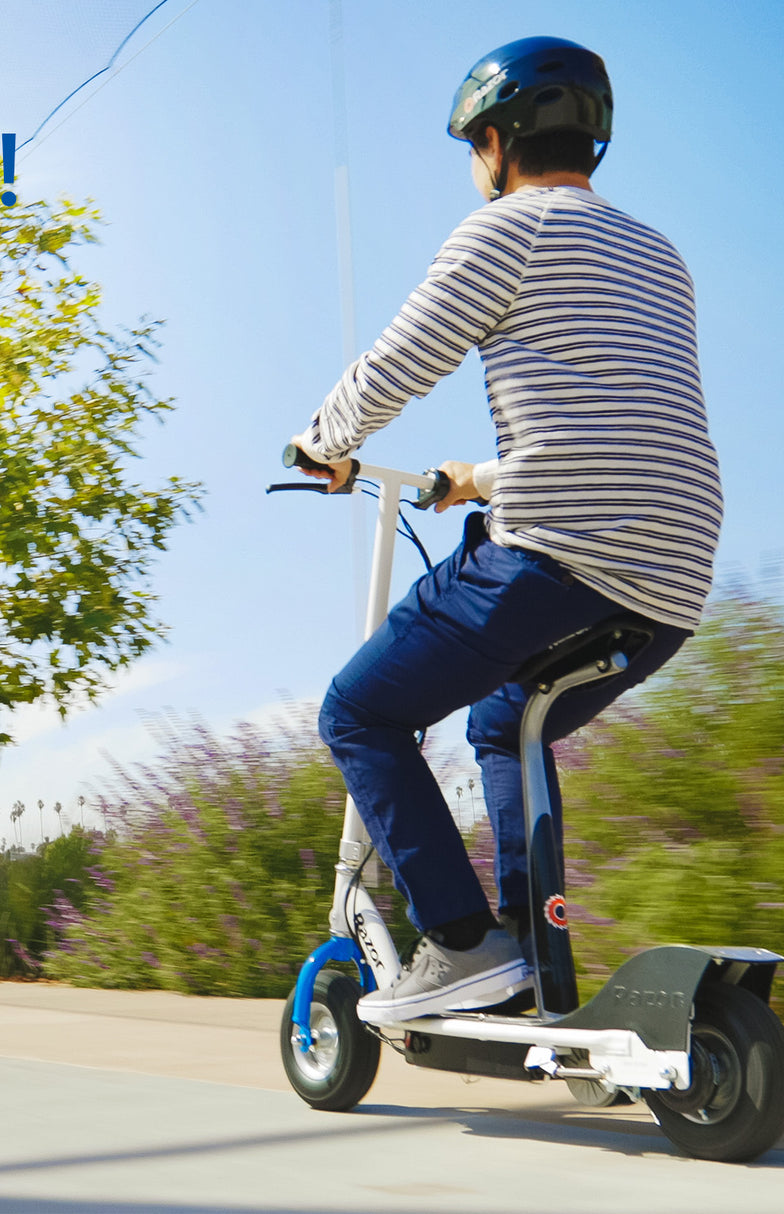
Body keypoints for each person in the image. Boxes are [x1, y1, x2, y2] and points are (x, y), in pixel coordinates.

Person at [289, 36, 722, 1024]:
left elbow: (401, 356)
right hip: (669, 577)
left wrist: (321, 441)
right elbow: (617, 418)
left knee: (358, 712)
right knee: (502, 721)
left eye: (473, 145)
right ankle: (531, 948)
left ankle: (455, 940)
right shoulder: (659, 253)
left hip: (555, 554)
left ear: (496, 138)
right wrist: (466, 477)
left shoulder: (508, 228)